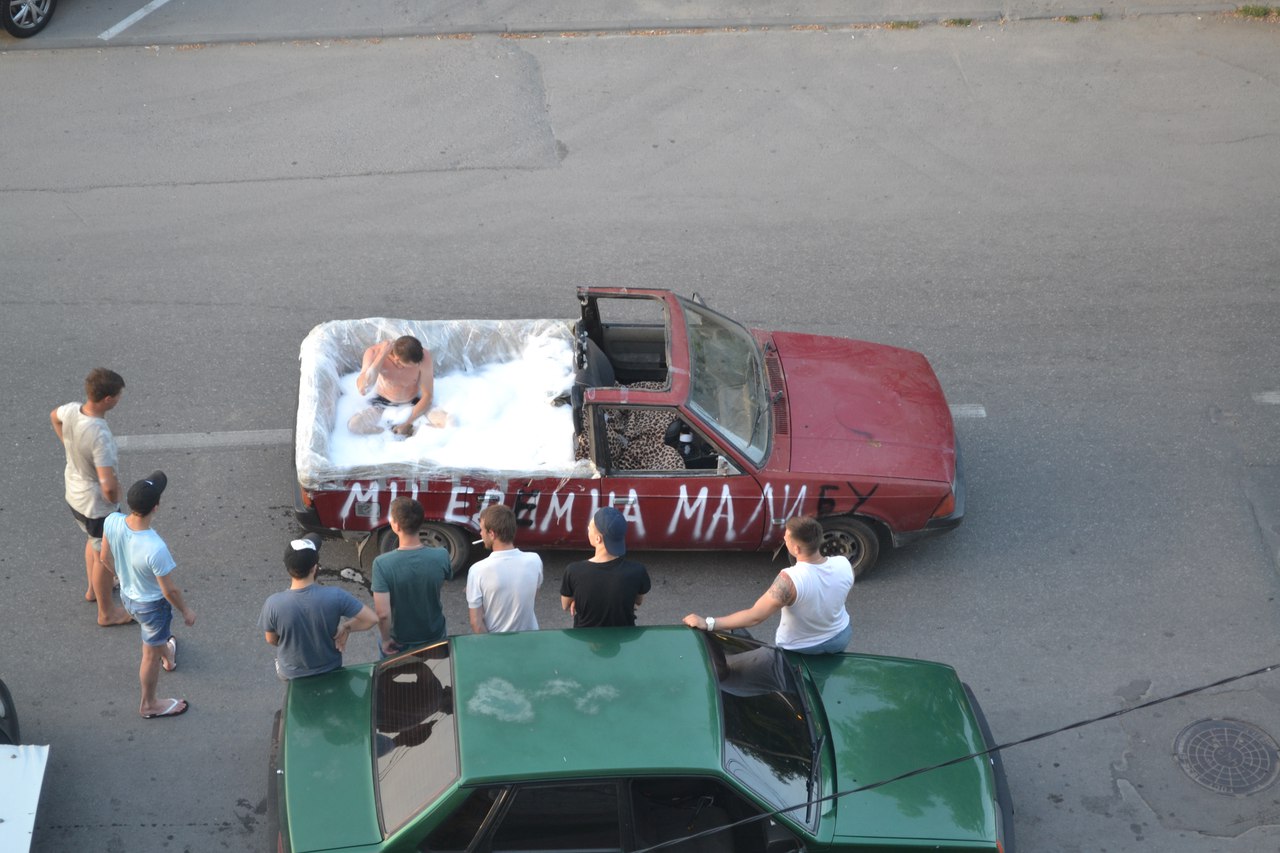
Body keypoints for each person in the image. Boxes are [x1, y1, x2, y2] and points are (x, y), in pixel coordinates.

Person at [683, 515, 853, 654]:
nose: (784, 540)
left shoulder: (790, 580)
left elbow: (755, 616)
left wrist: (708, 623)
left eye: (786, 539)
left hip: (801, 648)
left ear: (797, 549)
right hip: (840, 636)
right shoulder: (843, 563)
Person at [101, 472, 196, 718]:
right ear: (156, 507)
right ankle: (149, 704)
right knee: (148, 655)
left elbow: (103, 558)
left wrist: (121, 575)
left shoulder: (111, 521)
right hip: (151, 606)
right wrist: (186, 610)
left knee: (157, 639)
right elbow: (169, 590)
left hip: (128, 598)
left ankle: (169, 657)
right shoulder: (155, 547)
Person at [51, 367, 132, 626]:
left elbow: (54, 416)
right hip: (96, 505)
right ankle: (106, 613)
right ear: (107, 399)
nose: (120, 399)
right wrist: (115, 496)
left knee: (93, 542)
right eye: (118, 396)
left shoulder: (73, 409)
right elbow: (107, 483)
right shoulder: (100, 434)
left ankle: (92, 591)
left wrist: (69, 446)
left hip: (74, 493)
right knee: (105, 558)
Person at [259, 534, 377, 679]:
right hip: (331, 668)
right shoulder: (336, 596)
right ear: (315, 568)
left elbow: (271, 639)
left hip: (292, 673)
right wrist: (347, 627)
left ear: (288, 568)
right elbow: (371, 619)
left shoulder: (273, 604)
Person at [372, 497, 452, 654]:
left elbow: (383, 614)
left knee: (393, 678)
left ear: (396, 525)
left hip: (400, 641)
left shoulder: (381, 564)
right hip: (434, 634)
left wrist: (386, 639)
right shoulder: (442, 555)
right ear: (421, 521)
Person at [560, 507, 651, 628]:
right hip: (623, 637)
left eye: (589, 528)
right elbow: (638, 601)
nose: (587, 530)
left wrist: (579, 599)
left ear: (598, 539)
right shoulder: (638, 570)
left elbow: (565, 605)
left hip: (585, 638)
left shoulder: (573, 570)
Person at [347, 335, 448, 436]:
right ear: (397, 361)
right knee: (354, 426)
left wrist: (407, 422)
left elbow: (428, 395)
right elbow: (363, 389)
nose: (418, 366)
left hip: (414, 403)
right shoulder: (374, 353)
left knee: (447, 423)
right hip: (382, 404)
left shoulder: (423, 356)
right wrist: (382, 355)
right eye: (412, 366)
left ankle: (412, 431)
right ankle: (385, 434)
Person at [467, 504, 542, 634]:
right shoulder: (535, 560)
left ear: (492, 534)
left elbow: (476, 623)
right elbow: (532, 596)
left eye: (482, 530)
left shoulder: (477, 570)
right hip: (531, 637)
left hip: (497, 643)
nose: (480, 534)